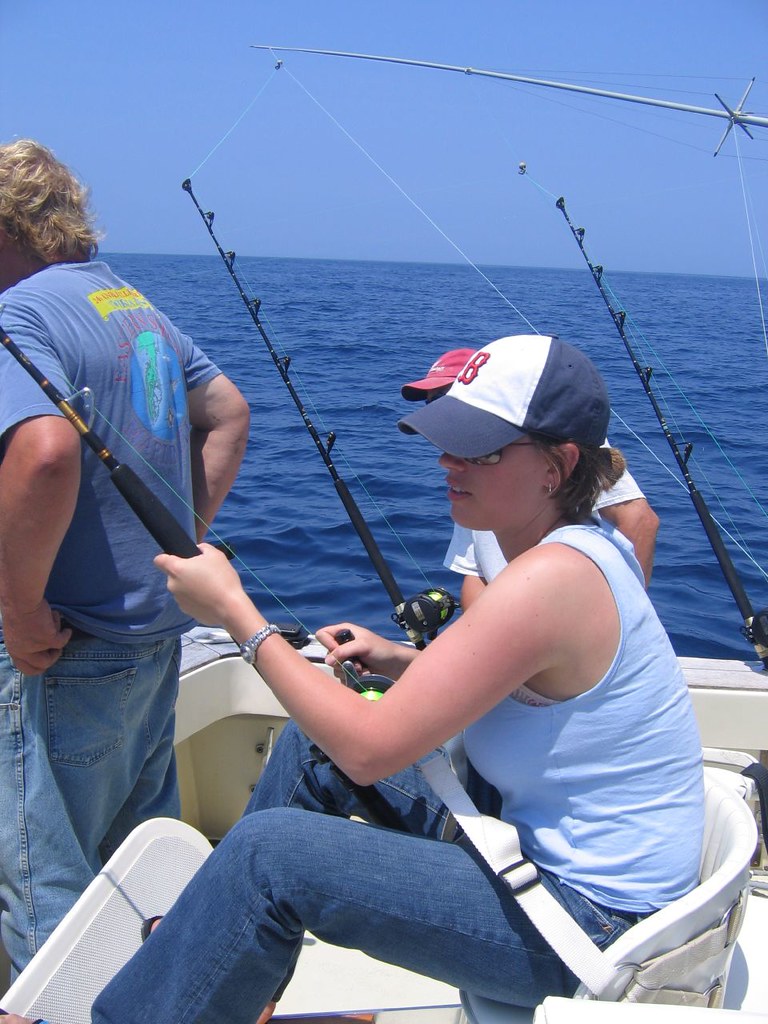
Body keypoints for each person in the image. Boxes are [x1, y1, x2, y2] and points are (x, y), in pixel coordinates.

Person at [48, 333, 700, 1024]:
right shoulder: (585, 550)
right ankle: (229, 975)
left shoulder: (549, 580)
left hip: (590, 926)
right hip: (553, 861)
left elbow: (370, 750)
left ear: (558, 465)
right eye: (448, 439)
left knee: (269, 858)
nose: (447, 461)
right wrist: (400, 659)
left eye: (479, 448)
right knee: (310, 746)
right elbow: (525, 689)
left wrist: (238, 615)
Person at [0, 140, 250, 974]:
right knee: (139, 873)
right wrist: (176, 545)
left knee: (48, 891)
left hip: (66, 651)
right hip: (153, 635)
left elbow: (42, 453)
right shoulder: (128, 303)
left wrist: (19, 606)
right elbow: (229, 412)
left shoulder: (20, 316)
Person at [402, 345, 660, 607]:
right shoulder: (473, 481)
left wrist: (625, 612)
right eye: (432, 403)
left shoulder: (571, 450)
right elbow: (475, 571)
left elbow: (639, 520)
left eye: (449, 399)